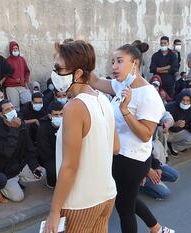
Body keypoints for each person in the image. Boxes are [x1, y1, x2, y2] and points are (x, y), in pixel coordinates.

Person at [89, 44, 174, 233]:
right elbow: (94, 81)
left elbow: (145, 134)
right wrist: (81, 57)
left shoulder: (148, 94)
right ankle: (157, 228)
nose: (114, 67)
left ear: (134, 63)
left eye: (120, 61)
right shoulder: (122, 84)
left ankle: (157, 229)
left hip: (132, 160)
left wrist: (125, 111)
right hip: (118, 155)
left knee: (125, 208)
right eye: (113, 62)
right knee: (128, 199)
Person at [44, 40, 119, 233]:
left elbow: (69, 166)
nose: (54, 74)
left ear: (77, 73)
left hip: (80, 202)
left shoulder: (75, 107)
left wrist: (54, 211)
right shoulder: (103, 99)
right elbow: (115, 147)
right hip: (106, 195)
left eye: (58, 69)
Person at [0, 100, 45, 202]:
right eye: (7, 109)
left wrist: (34, 167)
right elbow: (6, 153)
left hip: (20, 165)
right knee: (18, 197)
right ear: (0, 114)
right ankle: (4, 186)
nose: (12, 111)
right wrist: (14, 129)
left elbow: (29, 148)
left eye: (12, 108)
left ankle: (19, 180)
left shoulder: (21, 124)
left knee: (42, 173)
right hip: (6, 171)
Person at [166, 90, 191, 157]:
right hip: (167, 132)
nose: (185, 103)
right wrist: (174, 124)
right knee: (160, 130)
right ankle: (164, 154)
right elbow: (161, 122)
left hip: (180, 133)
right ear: (179, 99)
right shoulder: (169, 106)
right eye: (183, 100)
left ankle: (173, 147)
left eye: (188, 101)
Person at [36, 100, 64, 188]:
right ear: (49, 115)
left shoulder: (69, 124)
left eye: (61, 114)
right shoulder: (42, 129)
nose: (59, 117)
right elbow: (45, 152)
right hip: (50, 157)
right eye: (56, 115)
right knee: (53, 170)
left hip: (66, 154)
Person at [4, 41, 31, 111]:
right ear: (10, 50)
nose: (15, 50)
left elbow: (27, 71)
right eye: (13, 49)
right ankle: (17, 119)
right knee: (15, 106)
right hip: (11, 87)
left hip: (21, 85)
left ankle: (27, 118)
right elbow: (4, 77)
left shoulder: (22, 59)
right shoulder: (7, 61)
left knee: (28, 101)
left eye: (16, 48)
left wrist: (26, 81)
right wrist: (14, 80)